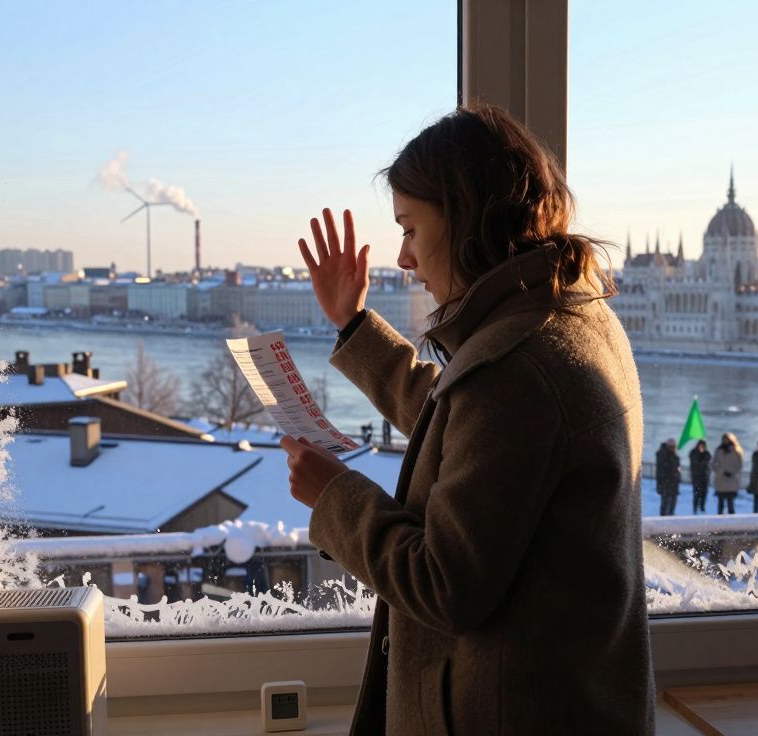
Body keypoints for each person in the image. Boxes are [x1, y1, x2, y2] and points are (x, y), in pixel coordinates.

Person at [279, 104, 655, 735]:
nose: (402, 257)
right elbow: (465, 419)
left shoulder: (520, 367)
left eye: (409, 228)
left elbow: (442, 583)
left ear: (462, 216)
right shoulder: (567, 317)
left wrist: (334, 496)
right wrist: (353, 325)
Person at [710, 432, 744, 514]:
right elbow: (713, 463)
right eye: (724, 439)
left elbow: (739, 466)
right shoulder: (719, 450)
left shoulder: (737, 451)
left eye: (727, 439)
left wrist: (732, 473)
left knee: (730, 504)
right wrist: (719, 471)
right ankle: (720, 522)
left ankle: (731, 523)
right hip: (721, 480)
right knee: (721, 504)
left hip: (731, 480)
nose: (725, 441)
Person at [656, 438, 682, 515]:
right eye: (672, 446)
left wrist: (678, 478)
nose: (673, 448)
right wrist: (659, 484)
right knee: (664, 504)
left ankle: (670, 519)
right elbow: (660, 472)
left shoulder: (675, 457)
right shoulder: (662, 455)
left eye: (674, 446)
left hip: (673, 484)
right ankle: (663, 521)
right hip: (665, 484)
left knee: (672, 505)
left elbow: (677, 470)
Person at [689, 439, 711, 513]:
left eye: (703, 446)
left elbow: (708, 461)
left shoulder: (706, 454)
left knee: (704, 493)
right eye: (700, 446)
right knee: (696, 493)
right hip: (696, 477)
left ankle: (702, 506)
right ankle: (695, 507)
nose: (701, 447)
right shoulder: (694, 453)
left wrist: (704, 455)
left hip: (704, 477)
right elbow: (696, 463)